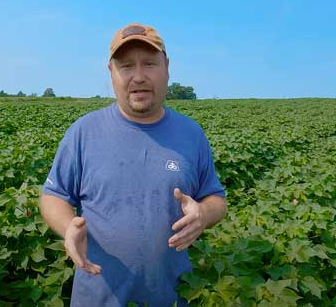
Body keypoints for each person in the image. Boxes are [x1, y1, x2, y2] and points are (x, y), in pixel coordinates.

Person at [39, 22, 227, 306]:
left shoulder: (191, 134)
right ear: (111, 72)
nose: (138, 76)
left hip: (172, 297)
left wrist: (203, 213)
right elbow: (53, 196)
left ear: (167, 67)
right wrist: (68, 227)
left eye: (149, 64)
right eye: (126, 66)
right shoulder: (83, 132)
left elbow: (216, 199)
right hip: (97, 298)